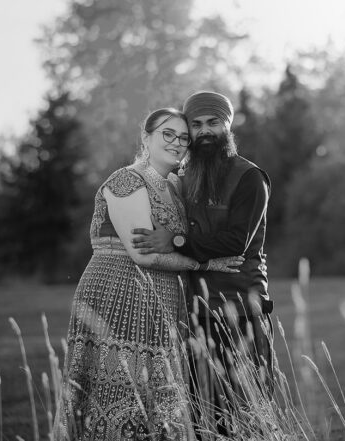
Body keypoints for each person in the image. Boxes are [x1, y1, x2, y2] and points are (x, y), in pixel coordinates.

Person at [54, 108, 243, 441]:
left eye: (184, 137)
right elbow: (144, 254)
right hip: (118, 288)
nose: (177, 143)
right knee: (118, 388)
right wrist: (203, 264)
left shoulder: (175, 186)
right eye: (167, 134)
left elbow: (179, 242)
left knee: (159, 393)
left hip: (165, 297)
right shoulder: (127, 180)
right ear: (146, 137)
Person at [131, 91, 273, 437]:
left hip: (241, 308)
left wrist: (177, 242)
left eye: (213, 122)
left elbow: (236, 241)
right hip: (196, 311)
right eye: (196, 124)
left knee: (249, 410)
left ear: (228, 124)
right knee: (205, 414)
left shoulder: (250, 177)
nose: (204, 131)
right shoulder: (186, 175)